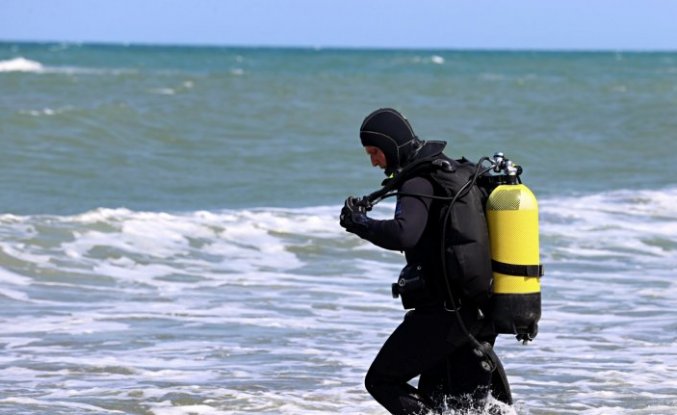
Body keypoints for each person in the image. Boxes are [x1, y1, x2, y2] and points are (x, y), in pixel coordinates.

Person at [339, 108, 511, 414]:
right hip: (478, 310)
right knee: (461, 406)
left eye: (375, 151)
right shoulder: (453, 171)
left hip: (445, 315)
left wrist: (359, 224)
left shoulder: (418, 181)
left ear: (391, 146)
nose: (374, 161)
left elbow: (405, 234)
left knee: (381, 380)